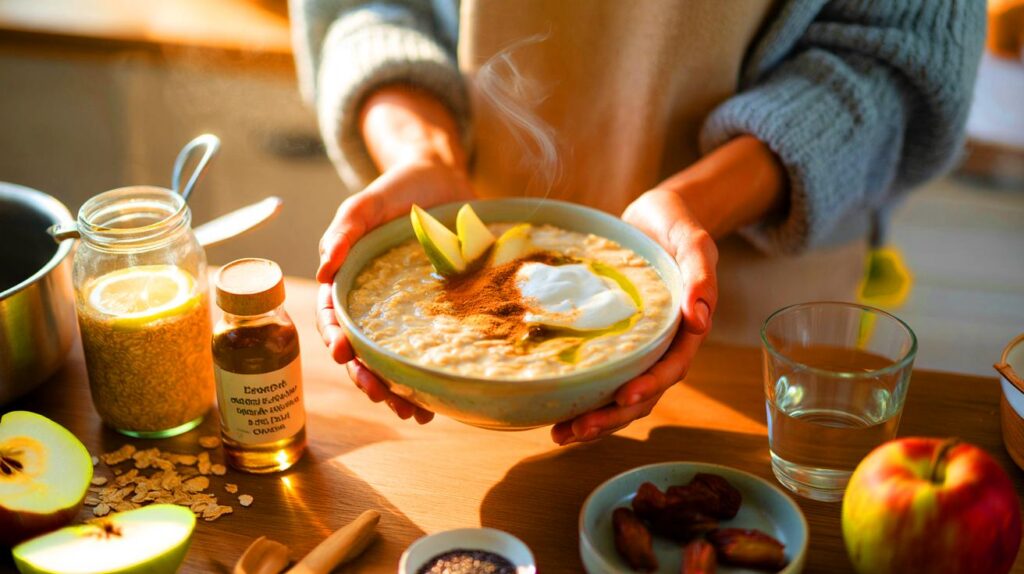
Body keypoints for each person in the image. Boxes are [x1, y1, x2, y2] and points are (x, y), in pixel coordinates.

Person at [292, 0, 985, 445]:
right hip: (456, 388)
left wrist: (696, 207)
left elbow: (896, 58)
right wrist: (422, 155)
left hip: (763, 345)